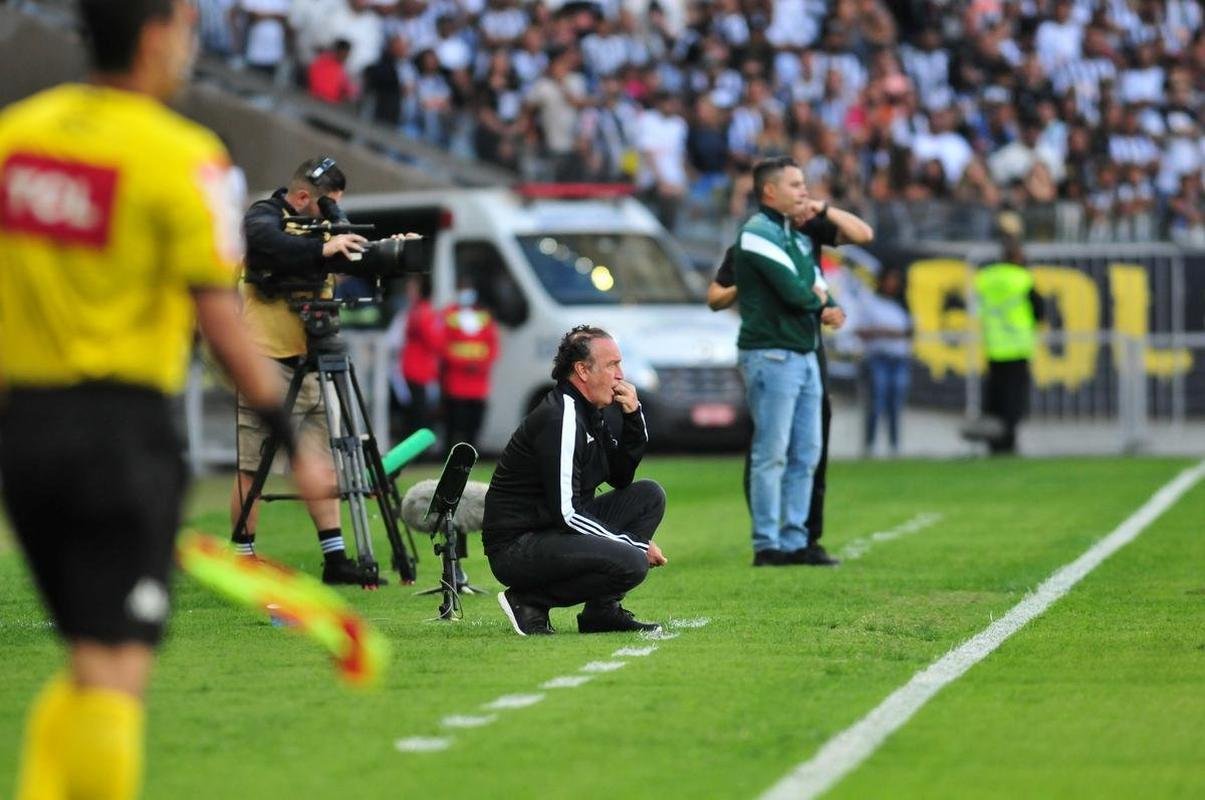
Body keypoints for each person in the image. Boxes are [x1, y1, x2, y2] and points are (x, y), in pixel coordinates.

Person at [0, 2, 323, 798]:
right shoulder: (182, 157)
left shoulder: (16, 140)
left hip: (25, 431)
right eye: (184, 28)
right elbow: (221, 318)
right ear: (154, 37)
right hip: (119, 433)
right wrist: (296, 439)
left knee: (86, 653)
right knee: (114, 668)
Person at [709, 167, 872, 566]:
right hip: (772, 351)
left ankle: (796, 539)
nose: (804, 192)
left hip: (804, 350)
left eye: (805, 186)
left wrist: (823, 300)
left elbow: (857, 241)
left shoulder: (800, 232)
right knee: (772, 451)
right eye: (796, 185)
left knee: (807, 451)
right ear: (770, 190)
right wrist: (819, 302)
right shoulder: (757, 235)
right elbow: (797, 289)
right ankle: (767, 543)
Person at [228, 156, 373, 584]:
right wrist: (321, 247)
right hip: (264, 359)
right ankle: (243, 556)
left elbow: (345, 260)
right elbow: (267, 246)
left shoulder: (322, 228)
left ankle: (335, 556)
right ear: (305, 197)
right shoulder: (264, 217)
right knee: (254, 464)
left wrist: (379, 250)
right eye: (328, 204)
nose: (332, 214)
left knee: (321, 460)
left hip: (311, 358)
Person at [482, 326, 668, 636]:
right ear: (582, 370)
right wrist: (631, 545)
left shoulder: (590, 411)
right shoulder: (562, 416)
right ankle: (528, 601)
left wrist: (634, 416)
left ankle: (602, 612)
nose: (621, 374)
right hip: (517, 545)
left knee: (649, 496)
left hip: (552, 529)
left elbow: (621, 477)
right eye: (612, 365)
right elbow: (566, 513)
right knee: (633, 562)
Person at [973, 215, 1045, 455]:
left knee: (995, 398)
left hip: (993, 346)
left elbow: (977, 306)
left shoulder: (986, 277)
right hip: (1017, 346)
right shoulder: (1022, 278)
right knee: (1014, 401)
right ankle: (1009, 442)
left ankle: (994, 443)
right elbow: (1039, 311)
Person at [855, 267, 912, 456]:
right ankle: (870, 446)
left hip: (898, 359)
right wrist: (881, 331)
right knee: (876, 402)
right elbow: (859, 330)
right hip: (878, 358)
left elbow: (910, 332)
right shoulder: (871, 303)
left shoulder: (902, 305)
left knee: (895, 404)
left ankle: (894, 446)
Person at [440, 279, 499, 453]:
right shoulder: (449, 315)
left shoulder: (484, 316)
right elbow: (442, 344)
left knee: (475, 423)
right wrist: (464, 363)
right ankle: (449, 455)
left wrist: (480, 365)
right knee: (454, 423)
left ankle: (471, 453)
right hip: (456, 380)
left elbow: (493, 346)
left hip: (479, 381)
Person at [399, 274, 443, 441]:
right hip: (418, 370)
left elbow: (434, 341)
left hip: (418, 370)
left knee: (417, 414)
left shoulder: (421, 312)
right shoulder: (423, 312)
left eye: (412, 288)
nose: (408, 292)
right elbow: (436, 342)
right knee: (418, 414)